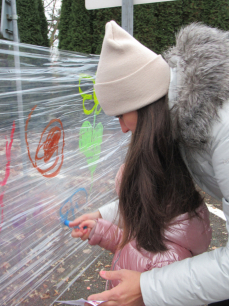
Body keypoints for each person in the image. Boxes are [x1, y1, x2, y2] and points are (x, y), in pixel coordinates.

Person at [70, 21, 229, 306]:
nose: (121, 128)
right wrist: (104, 216)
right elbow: (156, 195)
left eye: (120, 115)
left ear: (141, 101)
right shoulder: (174, 119)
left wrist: (148, 287)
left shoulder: (223, 126)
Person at [75, 163, 211, 298]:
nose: (124, 211)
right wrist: (98, 230)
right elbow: (130, 247)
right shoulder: (150, 229)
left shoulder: (167, 261)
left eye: (128, 205)